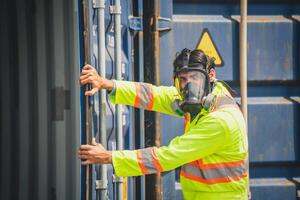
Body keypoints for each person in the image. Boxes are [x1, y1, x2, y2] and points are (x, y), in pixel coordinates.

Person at [78, 48, 249, 199]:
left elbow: (166, 157)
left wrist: (109, 157)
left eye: (195, 77)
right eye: (182, 79)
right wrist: (107, 84)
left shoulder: (220, 120)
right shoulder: (205, 100)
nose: (188, 86)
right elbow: (154, 95)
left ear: (210, 75)